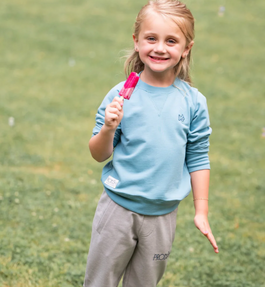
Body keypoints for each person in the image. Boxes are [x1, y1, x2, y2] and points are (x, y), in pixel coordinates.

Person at [83, 0, 218, 286]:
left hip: (162, 217)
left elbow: (198, 158)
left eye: (171, 41)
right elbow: (98, 154)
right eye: (151, 38)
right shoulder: (120, 95)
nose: (159, 48)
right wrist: (108, 128)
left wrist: (201, 211)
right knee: (100, 281)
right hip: (117, 210)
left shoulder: (193, 102)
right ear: (136, 42)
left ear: (186, 48)